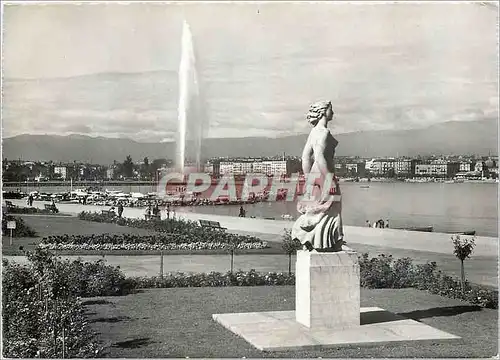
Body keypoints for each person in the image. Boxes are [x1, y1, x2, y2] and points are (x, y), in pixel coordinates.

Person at [291, 100, 348, 252]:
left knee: (319, 207)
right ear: (323, 112)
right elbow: (320, 156)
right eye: (331, 109)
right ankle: (334, 242)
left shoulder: (314, 132)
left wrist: (310, 178)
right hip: (325, 171)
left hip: (316, 172)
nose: (333, 113)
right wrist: (329, 179)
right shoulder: (323, 132)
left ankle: (312, 239)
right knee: (333, 207)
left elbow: (305, 157)